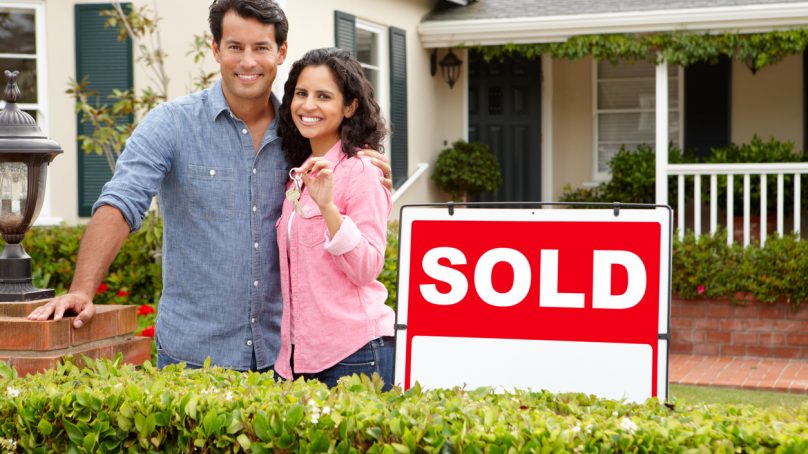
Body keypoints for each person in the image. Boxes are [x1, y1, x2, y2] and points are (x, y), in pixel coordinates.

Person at [27, 0, 392, 372]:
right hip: (193, 356)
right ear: (216, 49)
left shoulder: (299, 133)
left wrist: (360, 163)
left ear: (281, 52)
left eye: (261, 48)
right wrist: (82, 289)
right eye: (235, 47)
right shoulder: (172, 124)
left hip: (279, 358)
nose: (247, 62)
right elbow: (121, 201)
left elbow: (340, 178)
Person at [273, 48, 395, 390]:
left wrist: (329, 208)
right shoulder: (296, 176)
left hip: (356, 353)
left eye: (323, 96)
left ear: (350, 106)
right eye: (301, 93)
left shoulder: (362, 171)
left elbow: (367, 267)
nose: (308, 106)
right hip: (298, 360)